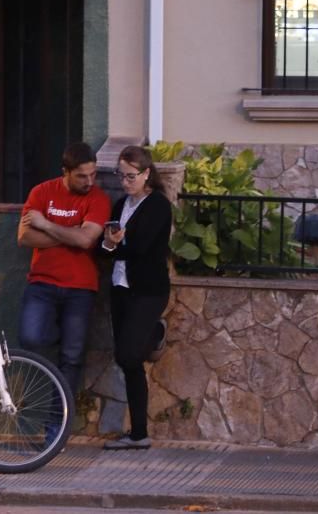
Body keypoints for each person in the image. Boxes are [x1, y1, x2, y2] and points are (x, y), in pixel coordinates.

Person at [17, 142, 111, 398]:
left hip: (80, 288)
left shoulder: (98, 199)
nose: (89, 181)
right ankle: (58, 332)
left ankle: (57, 425)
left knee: (72, 358)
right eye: (82, 176)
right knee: (30, 338)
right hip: (42, 284)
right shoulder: (41, 192)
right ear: (65, 172)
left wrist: (46, 224)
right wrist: (74, 231)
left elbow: (86, 240)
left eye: (93, 174)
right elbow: (25, 237)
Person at [100, 145, 172, 450]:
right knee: (130, 362)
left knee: (127, 355)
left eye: (131, 176)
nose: (125, 181)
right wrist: (109, 244)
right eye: (120, 175)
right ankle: (139, 434)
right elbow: (107, 248)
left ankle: (156, 331)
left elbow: (141, 247)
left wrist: (115, 244)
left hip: (148, 289)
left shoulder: (158, 205)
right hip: (121, 287)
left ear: (146, 174)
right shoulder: (120, 205)